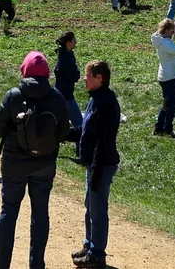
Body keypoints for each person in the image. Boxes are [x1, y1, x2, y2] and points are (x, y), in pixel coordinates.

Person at [0, 51, 70, 269]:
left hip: (14, 164)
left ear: (24, 70)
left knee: (8, 213)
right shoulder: (56, 97)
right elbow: (64, 131)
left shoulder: (13, 95)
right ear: (47, 73)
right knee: (40, 215)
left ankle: (1, 264)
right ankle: (37, 264)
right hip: (44, 163)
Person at [73, 60, 121, 268]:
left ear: (99, 78)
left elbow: (103, 142)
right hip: (93, 164)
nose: (84, 78)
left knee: (98, 210)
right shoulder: (95, 99)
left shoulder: (106, 103)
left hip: (102, 164)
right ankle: (89, 245)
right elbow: (86, 130)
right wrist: (63, 134)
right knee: (90, 207)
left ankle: (97, 254)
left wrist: (98, 172)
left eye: (88, 75)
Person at [152, 18, 175, 136]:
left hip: (164, 76)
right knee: (171, 105)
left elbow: (171, 43)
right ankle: (167, 129)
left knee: (166, 104)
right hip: (171, 77)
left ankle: (159, 128)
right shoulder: (166, 44)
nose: (173, 33)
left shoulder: (161, 40)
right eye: (172, 30)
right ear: (166, 30)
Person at [54, 31, 83, 129]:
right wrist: (76, 72)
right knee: (80, 124)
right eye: (74, 40)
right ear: (68, 43)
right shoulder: (66, 59)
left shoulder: (66, 55)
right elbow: (75, 76)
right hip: (66, 96)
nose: (76, 42)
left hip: (61, 94)